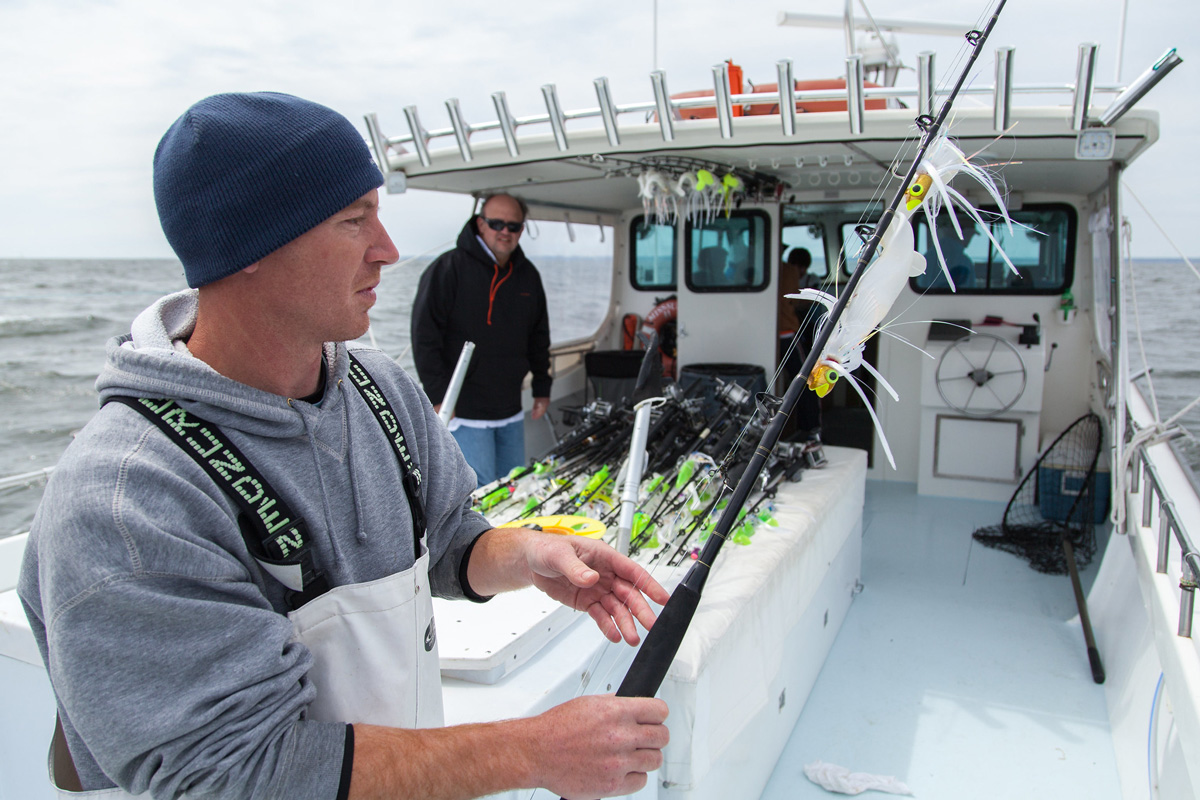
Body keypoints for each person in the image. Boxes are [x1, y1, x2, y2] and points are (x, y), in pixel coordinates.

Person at [18, 92, 670, 800]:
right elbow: (240, 774)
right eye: (353, 220)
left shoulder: (379, 388)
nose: (388, 250)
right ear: (249, 249)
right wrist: (530, 752)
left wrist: (527, 555)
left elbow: (448, 537)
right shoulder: (127, 499)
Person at [411, 193, 551, 487]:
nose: (505, 231)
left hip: (510, 408)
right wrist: (438, 396)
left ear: (521, 230)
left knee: (514, 488)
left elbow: (539, 335)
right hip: (466, 413)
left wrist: (542, 387)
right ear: (480, 224)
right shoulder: (447, 269)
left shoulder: (528, 276)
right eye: (496, 223)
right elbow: (425, 337)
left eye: (513, 226)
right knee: (479, 494)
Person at [777, 247, 822, 437]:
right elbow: (793, 302)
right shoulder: (789, 271)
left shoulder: (770, 269)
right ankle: (811, 428)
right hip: (787, 333)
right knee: (806, 380)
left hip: (771, 334)